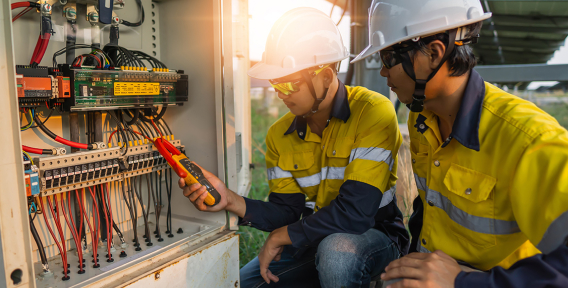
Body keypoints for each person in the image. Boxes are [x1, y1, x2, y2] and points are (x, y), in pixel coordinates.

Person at [179, 7, 409, 288]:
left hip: (375, 237)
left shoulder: (373, 112)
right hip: (313, 239)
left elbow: (355, 213)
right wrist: (230, 200)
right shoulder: (279, 135)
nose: (279, 93)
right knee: (243, 283)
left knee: (337, 254)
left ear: (325, 77)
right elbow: (286, 211)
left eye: (289, 83)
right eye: (275, 82)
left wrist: (279, 236)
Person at [351, 0, 568, 287]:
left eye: (389, 58)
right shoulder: (423, 121)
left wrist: (463, 282)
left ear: (434, 52)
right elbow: (428, 207)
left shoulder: (529, 140)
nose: (383, 72)